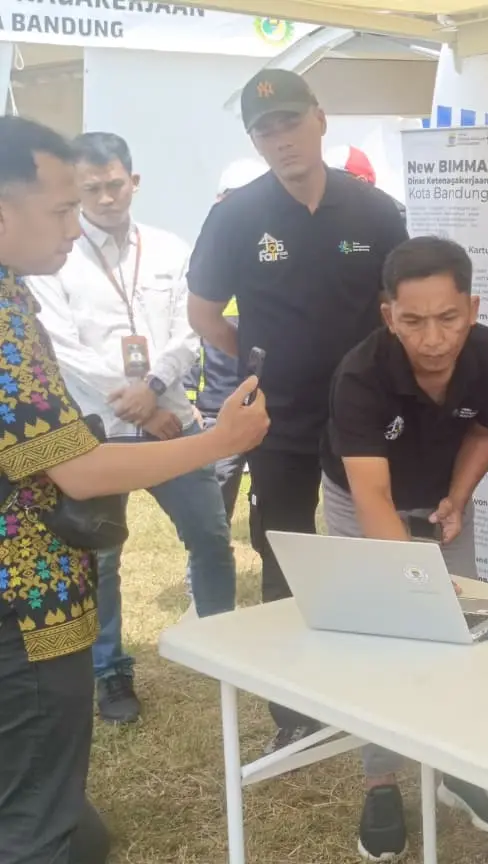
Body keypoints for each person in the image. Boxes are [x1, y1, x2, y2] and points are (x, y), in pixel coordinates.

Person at [0, 114, 268, 864]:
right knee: (39, 824)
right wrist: (220, 441)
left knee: (56, 807)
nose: (73, 223)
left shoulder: (18, 290)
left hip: (34, 588)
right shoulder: (5, 313)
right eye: (60, 208)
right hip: (21, 605)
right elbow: (77, 469)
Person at [186, 69, 409, 754]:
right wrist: (256, 361)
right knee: (282, 546)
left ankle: (374, 674)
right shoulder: (236, 216)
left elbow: (400, 304)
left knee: (371, 540)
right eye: (265, 131)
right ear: (255, 141)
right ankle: (293, 702)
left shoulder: (374, 212)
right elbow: (203, 312)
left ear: (320, 120)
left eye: (289, 122)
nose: (280, 140)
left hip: (362, 417)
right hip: (277, 418)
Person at [26, 132, 236, 725]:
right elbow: (62, 349)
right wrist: (137, 405)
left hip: (173, 416)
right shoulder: (56, 257)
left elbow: (188, 330)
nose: (104, 197)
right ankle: (109, 670)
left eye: (114, 183)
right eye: (89, 189)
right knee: (103, 556)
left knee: (210, 537)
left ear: (134, 181)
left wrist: (156, 387)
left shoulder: (168, 248)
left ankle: (222, 646)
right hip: (99, 428)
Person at [322, 235, 488, 861]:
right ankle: (382, 782)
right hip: (364, 500)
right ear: (389, 316)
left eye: (448, 319)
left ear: (474, 308)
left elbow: (486, 431)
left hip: (439, 498)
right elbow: (372, 497)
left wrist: (459, 498)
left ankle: (453, 763)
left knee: (457, 636)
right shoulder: (359, 373)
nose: (433, 339)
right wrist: (415, 577)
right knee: (383, 637)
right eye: (413, 321)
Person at [183, 157, 268, 524]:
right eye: (233, 198)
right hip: (217, 409)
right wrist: (188, 402)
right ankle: (201, 582)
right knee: (211, 518)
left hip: (267, 407)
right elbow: (188, 336)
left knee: (270, 509)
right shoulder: (207, 261)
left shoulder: (277, 259)